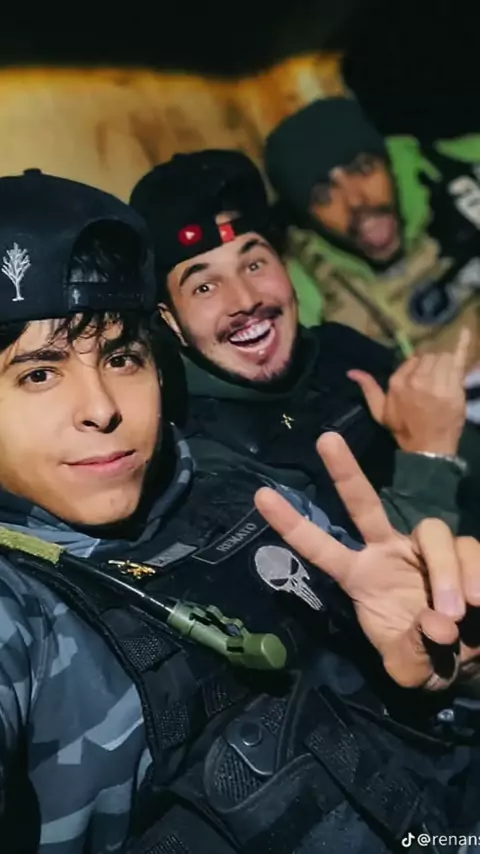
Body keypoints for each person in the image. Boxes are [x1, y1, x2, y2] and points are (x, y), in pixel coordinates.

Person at [0, 167, 478, 854]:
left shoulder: (242, 496)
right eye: (39, 374)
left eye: (121, 358)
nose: (101, 407)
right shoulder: (20, 614)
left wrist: (432, 673)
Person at [130, 149, 480, 538]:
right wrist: (427, 457)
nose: (246, 300)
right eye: (205, 287)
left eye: (254, 264)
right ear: (170, 321)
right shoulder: (200, 461)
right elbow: (370, 574)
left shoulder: (341, 351)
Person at [264, 96, 480, 422]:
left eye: (363, 168)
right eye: (323, 194)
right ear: (306, 217)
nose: (355, 201)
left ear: (387, 161)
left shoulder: (455, 172)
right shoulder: (303, 286)